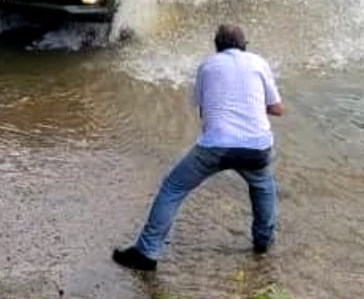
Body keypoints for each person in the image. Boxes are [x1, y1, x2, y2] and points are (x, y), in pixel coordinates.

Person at [112, 23, 285, 272]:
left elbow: (205, 112)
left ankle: (146, 252)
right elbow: (278, 108)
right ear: (245, 46)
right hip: (257, 147)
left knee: (173, 187)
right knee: (263, 185)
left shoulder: (207, 66)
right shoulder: (259, 62)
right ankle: (263, 242)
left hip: (216, 146)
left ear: (217, 47)